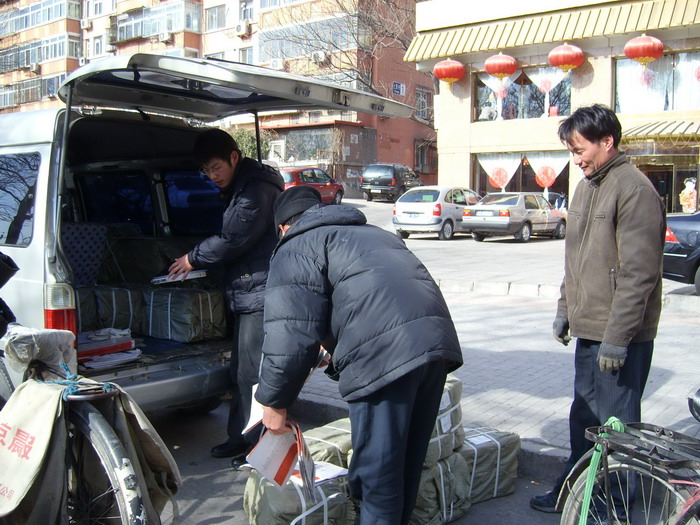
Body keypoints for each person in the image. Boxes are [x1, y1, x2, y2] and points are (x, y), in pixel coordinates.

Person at [254, 186, 463, 525]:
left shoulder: (295, 247)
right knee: (406, 467)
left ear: (282, 227)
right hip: (434, 348)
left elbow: (288, 333)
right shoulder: (374, 235)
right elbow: (365, 296)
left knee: (377, 479)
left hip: (384, 359)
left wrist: (274, 402)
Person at [530, 104, 665, 516]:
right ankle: (576, 490)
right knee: (584, 419)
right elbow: (577, 260)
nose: (576, 159)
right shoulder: (587, 186)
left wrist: (617, 339)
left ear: (608, 142)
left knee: (617, 428)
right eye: (571, 151)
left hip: (619, 338)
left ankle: (616, 506)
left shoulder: (635, 189)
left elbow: (638, 275)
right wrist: (564, 308)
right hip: (589, 330)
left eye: (580, 149)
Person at [168, 128, 283, 463]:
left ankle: (257, 446)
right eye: (205, 172)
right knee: (241, 372)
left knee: (251, 374)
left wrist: (193, 257)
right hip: (249, 288)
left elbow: (232, 238)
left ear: (234, 156)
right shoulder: (244, 185)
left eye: (215, 168)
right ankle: (241, 438)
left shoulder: (253, 191)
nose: (211, 176)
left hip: (259, 290)